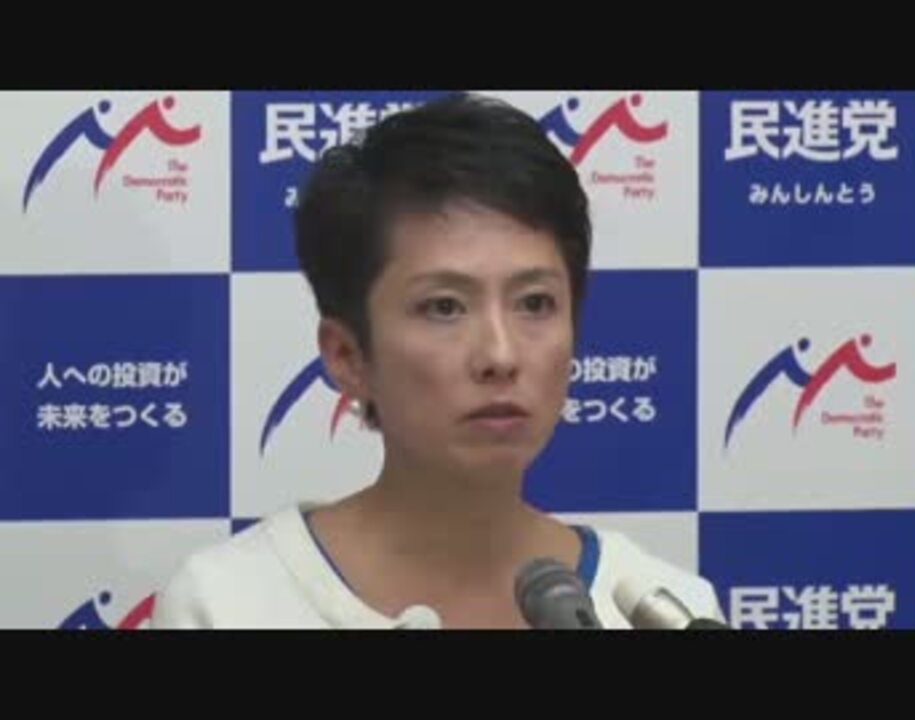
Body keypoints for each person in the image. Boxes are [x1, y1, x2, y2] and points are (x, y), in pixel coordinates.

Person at [152, 93, 724, 629]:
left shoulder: (662, 607)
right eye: (444, 307)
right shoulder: (227, 602)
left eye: (535, 303)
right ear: (348, 355)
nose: (500, 355)